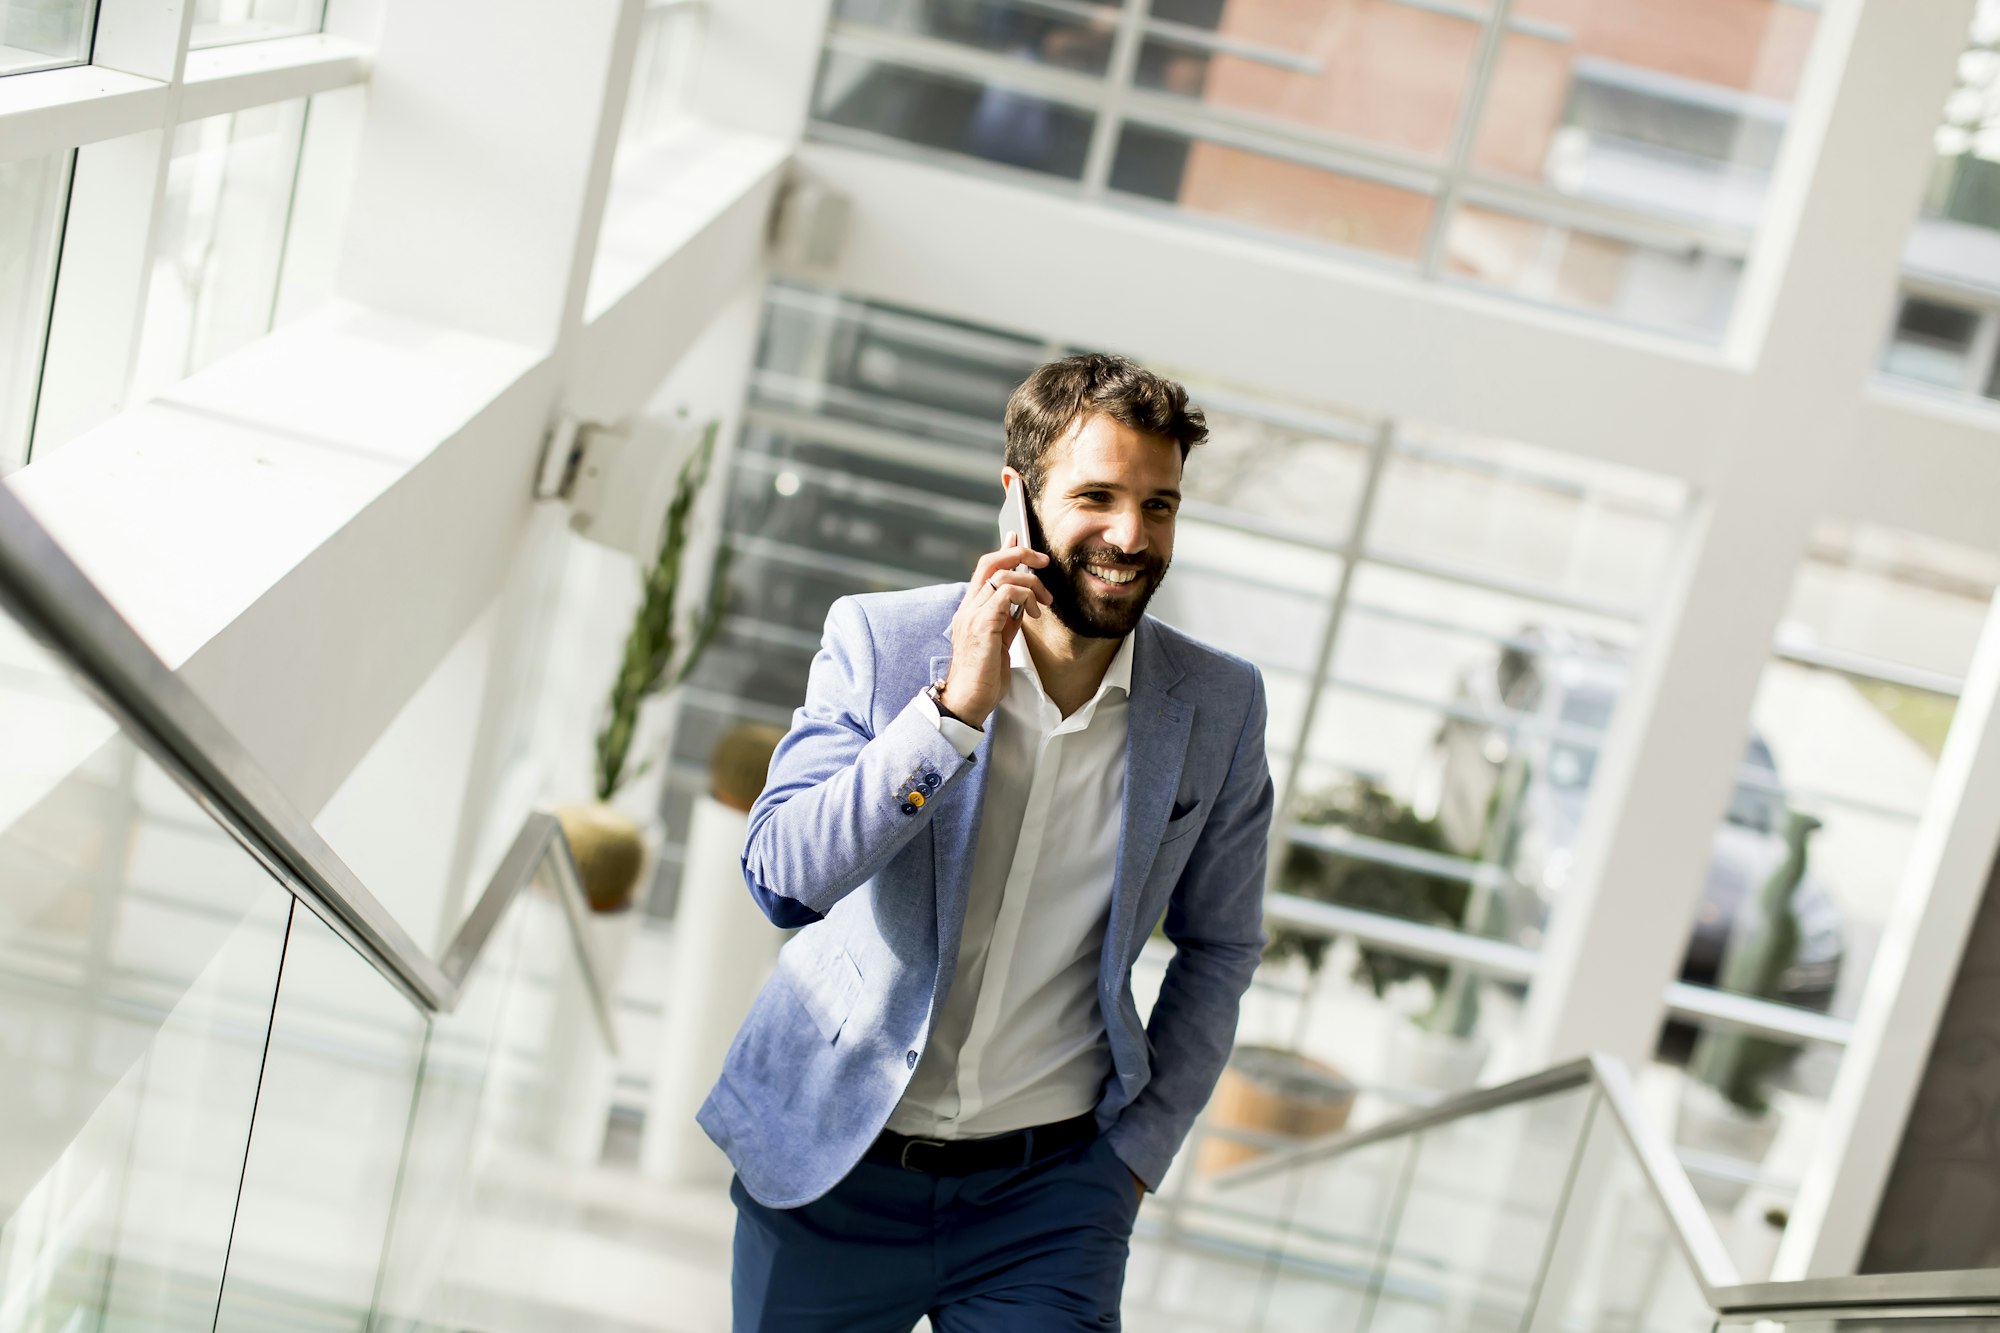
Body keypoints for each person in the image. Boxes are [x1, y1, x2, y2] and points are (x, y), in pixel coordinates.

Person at [700, 353, 1274, 1331]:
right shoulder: (882, 645)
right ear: (1017, 501)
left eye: (1159, 505)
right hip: (835, 1169)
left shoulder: (1216, 704)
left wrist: (1138, 1152)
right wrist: (950, 713)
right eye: (1095, 496)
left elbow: (1220, 942)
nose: (1130, 536)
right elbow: (784, 881)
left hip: (1048, 1195)